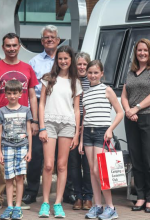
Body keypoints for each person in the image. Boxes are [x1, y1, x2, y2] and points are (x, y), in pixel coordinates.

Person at [0, 33, 39, 211]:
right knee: (1, 161)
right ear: (3, 47)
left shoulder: (27, 68)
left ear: (19, 46)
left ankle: (16, 199)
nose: (12, 48)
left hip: (22, 121)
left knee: (19, 161)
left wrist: (35, 121)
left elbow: (32, 96)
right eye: (8, 45)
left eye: (14, 45)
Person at [23, 25, 75, 205]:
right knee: (37, 154)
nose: (49, 39)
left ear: (58, 40)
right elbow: (31, 93)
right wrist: (36, 120)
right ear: (42, 41)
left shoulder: (67, 60)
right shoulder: (34, 62)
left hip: (64, 110)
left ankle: (68, 193)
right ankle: (31, 191)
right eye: (46, 37)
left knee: (65, 159)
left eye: (53, 37)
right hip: (42, 108)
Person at [121, 38, 150, 213]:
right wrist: (128, 110)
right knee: (136, 160)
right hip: (132, 119)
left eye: (145, 50)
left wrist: (136, 108)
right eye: (139, 50)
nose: (142, 53)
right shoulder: (131, 72)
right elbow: (124, 95)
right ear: (135, 53)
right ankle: (140, 196)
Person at [38, 45, 82, 218]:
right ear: (57, 60)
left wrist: (77, 133)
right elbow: (41, 104)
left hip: (68, 125)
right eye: (60, 58)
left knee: (62, 165)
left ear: (71, 60)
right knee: (49, 165)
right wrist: (41, 127)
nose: (63, 61)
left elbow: (77, 109)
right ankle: (45, 203)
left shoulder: (75, 81)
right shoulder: (48, 79)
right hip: (48, 123)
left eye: (66, 58)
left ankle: (58, 203)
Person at [80, 60, 123, 220]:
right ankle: (97, 206)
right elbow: (85, 116)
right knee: (91, 170)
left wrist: (110, 130)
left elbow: (120, 112)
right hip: (88, 133)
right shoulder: (85, 92)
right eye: (90, 72)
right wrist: (80, 140)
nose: (92, 75)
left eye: (96, 73)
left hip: (101, 133)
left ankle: (110, 207)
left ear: (101, 73)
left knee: (101, 171)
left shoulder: (107, 90)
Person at [0, 80, 33, 220]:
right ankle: (9, 206)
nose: (12, 96)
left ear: (20, 93)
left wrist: (29, 150)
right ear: (5, 94)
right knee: (9, 177)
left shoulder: (26, 110)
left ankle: (18, 207)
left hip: (22, 147)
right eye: (9, 93)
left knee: (19, 177)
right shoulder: (2, 111)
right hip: (7, 147)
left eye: (15, 93)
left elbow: (29, 130)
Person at [70, 52, 93, 210]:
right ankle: (78, 196)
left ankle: (89, 196)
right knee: (73, 164)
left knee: (88, 164)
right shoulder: (70, 81)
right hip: (71, 126)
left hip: (89, 126)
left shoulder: (93, 82)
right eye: (79, 64)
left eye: (85, 64)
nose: (82, 67)